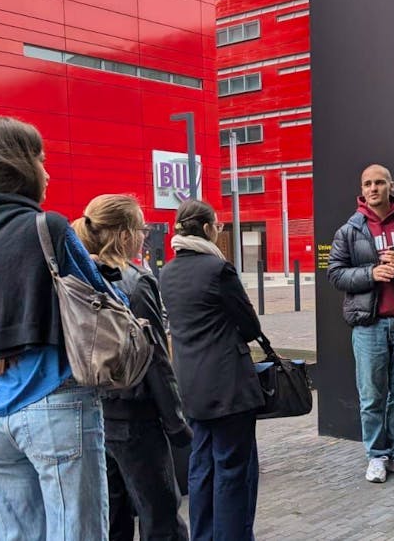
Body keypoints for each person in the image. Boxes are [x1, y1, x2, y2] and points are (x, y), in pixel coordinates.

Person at [0, 116, 111, 541]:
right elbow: (107, 305)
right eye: (41, 158)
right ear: (20, 165)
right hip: (56, 407)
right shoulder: (48, 227)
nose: (47, 170)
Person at [72, 194, 190, 541]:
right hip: (137, 416)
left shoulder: (77, 276)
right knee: (161, 516)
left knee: (112, 519)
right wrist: (175, 421)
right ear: (124, 235)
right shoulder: (136, 281)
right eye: (141, 229)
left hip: (95, 412)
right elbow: (154, 356)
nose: (144, 236)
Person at [159, 200, 264, 541]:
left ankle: (202, 534)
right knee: (234, 470)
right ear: (206, 229)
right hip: (229, 388)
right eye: (217, 226)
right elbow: (249, 326)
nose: (218, 231)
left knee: (201, 467)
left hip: (191, 386)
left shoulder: (167, 272)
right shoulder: (218, 270)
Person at [328, 163, 394, 483]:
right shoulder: (350, 230)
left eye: (378, 183)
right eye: (367, 184)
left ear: (390, 186)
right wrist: (370, 274)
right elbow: (335, 273)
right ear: (361, 190)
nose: (372, 188)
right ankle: (376, 455)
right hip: (368, 325)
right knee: (372, 395)